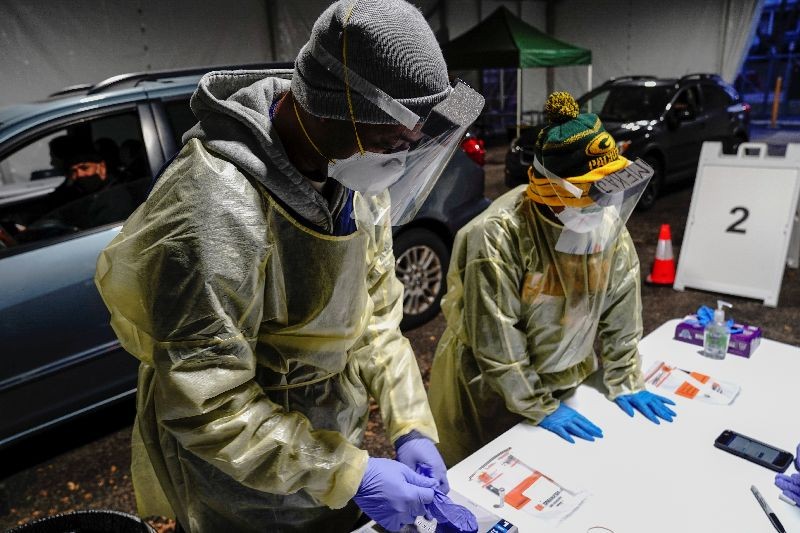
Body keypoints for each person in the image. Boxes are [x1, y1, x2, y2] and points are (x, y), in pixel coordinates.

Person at [94, 1, 483, 531]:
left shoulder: (349, 174)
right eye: (390, 143)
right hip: (243, 482)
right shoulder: (214, 207)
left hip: (327, 447)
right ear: (328, 110)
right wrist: (347, 474)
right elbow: (206, 404)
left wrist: (410, 423)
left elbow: (376, 316)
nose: (397, 160)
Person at [428, 91, 676, 467]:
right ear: (557, 188)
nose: (608, 203)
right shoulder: (498, 235)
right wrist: (535, 404)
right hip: (490, 387)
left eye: (613, 189)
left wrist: (624, 376)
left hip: (568, 376)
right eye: (596, 191)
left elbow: (621, 308)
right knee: (485, 485)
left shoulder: (605, 226)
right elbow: (495, 338)